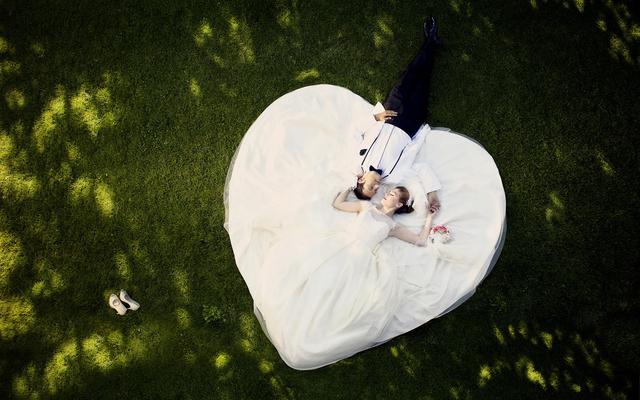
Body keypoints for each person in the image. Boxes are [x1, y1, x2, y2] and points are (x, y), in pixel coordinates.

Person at [350, 17, 442, 214]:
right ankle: (432, 44)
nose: (376, 188)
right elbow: (419, 167)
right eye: (375, 192)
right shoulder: (393, 175)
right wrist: (431, 193)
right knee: (423, 82)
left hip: (390, 113)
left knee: (409, 75)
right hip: (409, 123)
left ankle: (429, 39)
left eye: (369, 187)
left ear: (361, 179)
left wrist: (376, 117)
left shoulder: (359, 160)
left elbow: (355, 131)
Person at [332, 185, 436, 247]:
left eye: (392, 194)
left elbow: (421, 241)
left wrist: (430, 217)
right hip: (343, 243)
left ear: (399, 204)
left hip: (362, 255)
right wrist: (350, 186)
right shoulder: (366, 206)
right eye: (388, 192)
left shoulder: (393, 226)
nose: (386, 195)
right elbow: (338, 204)